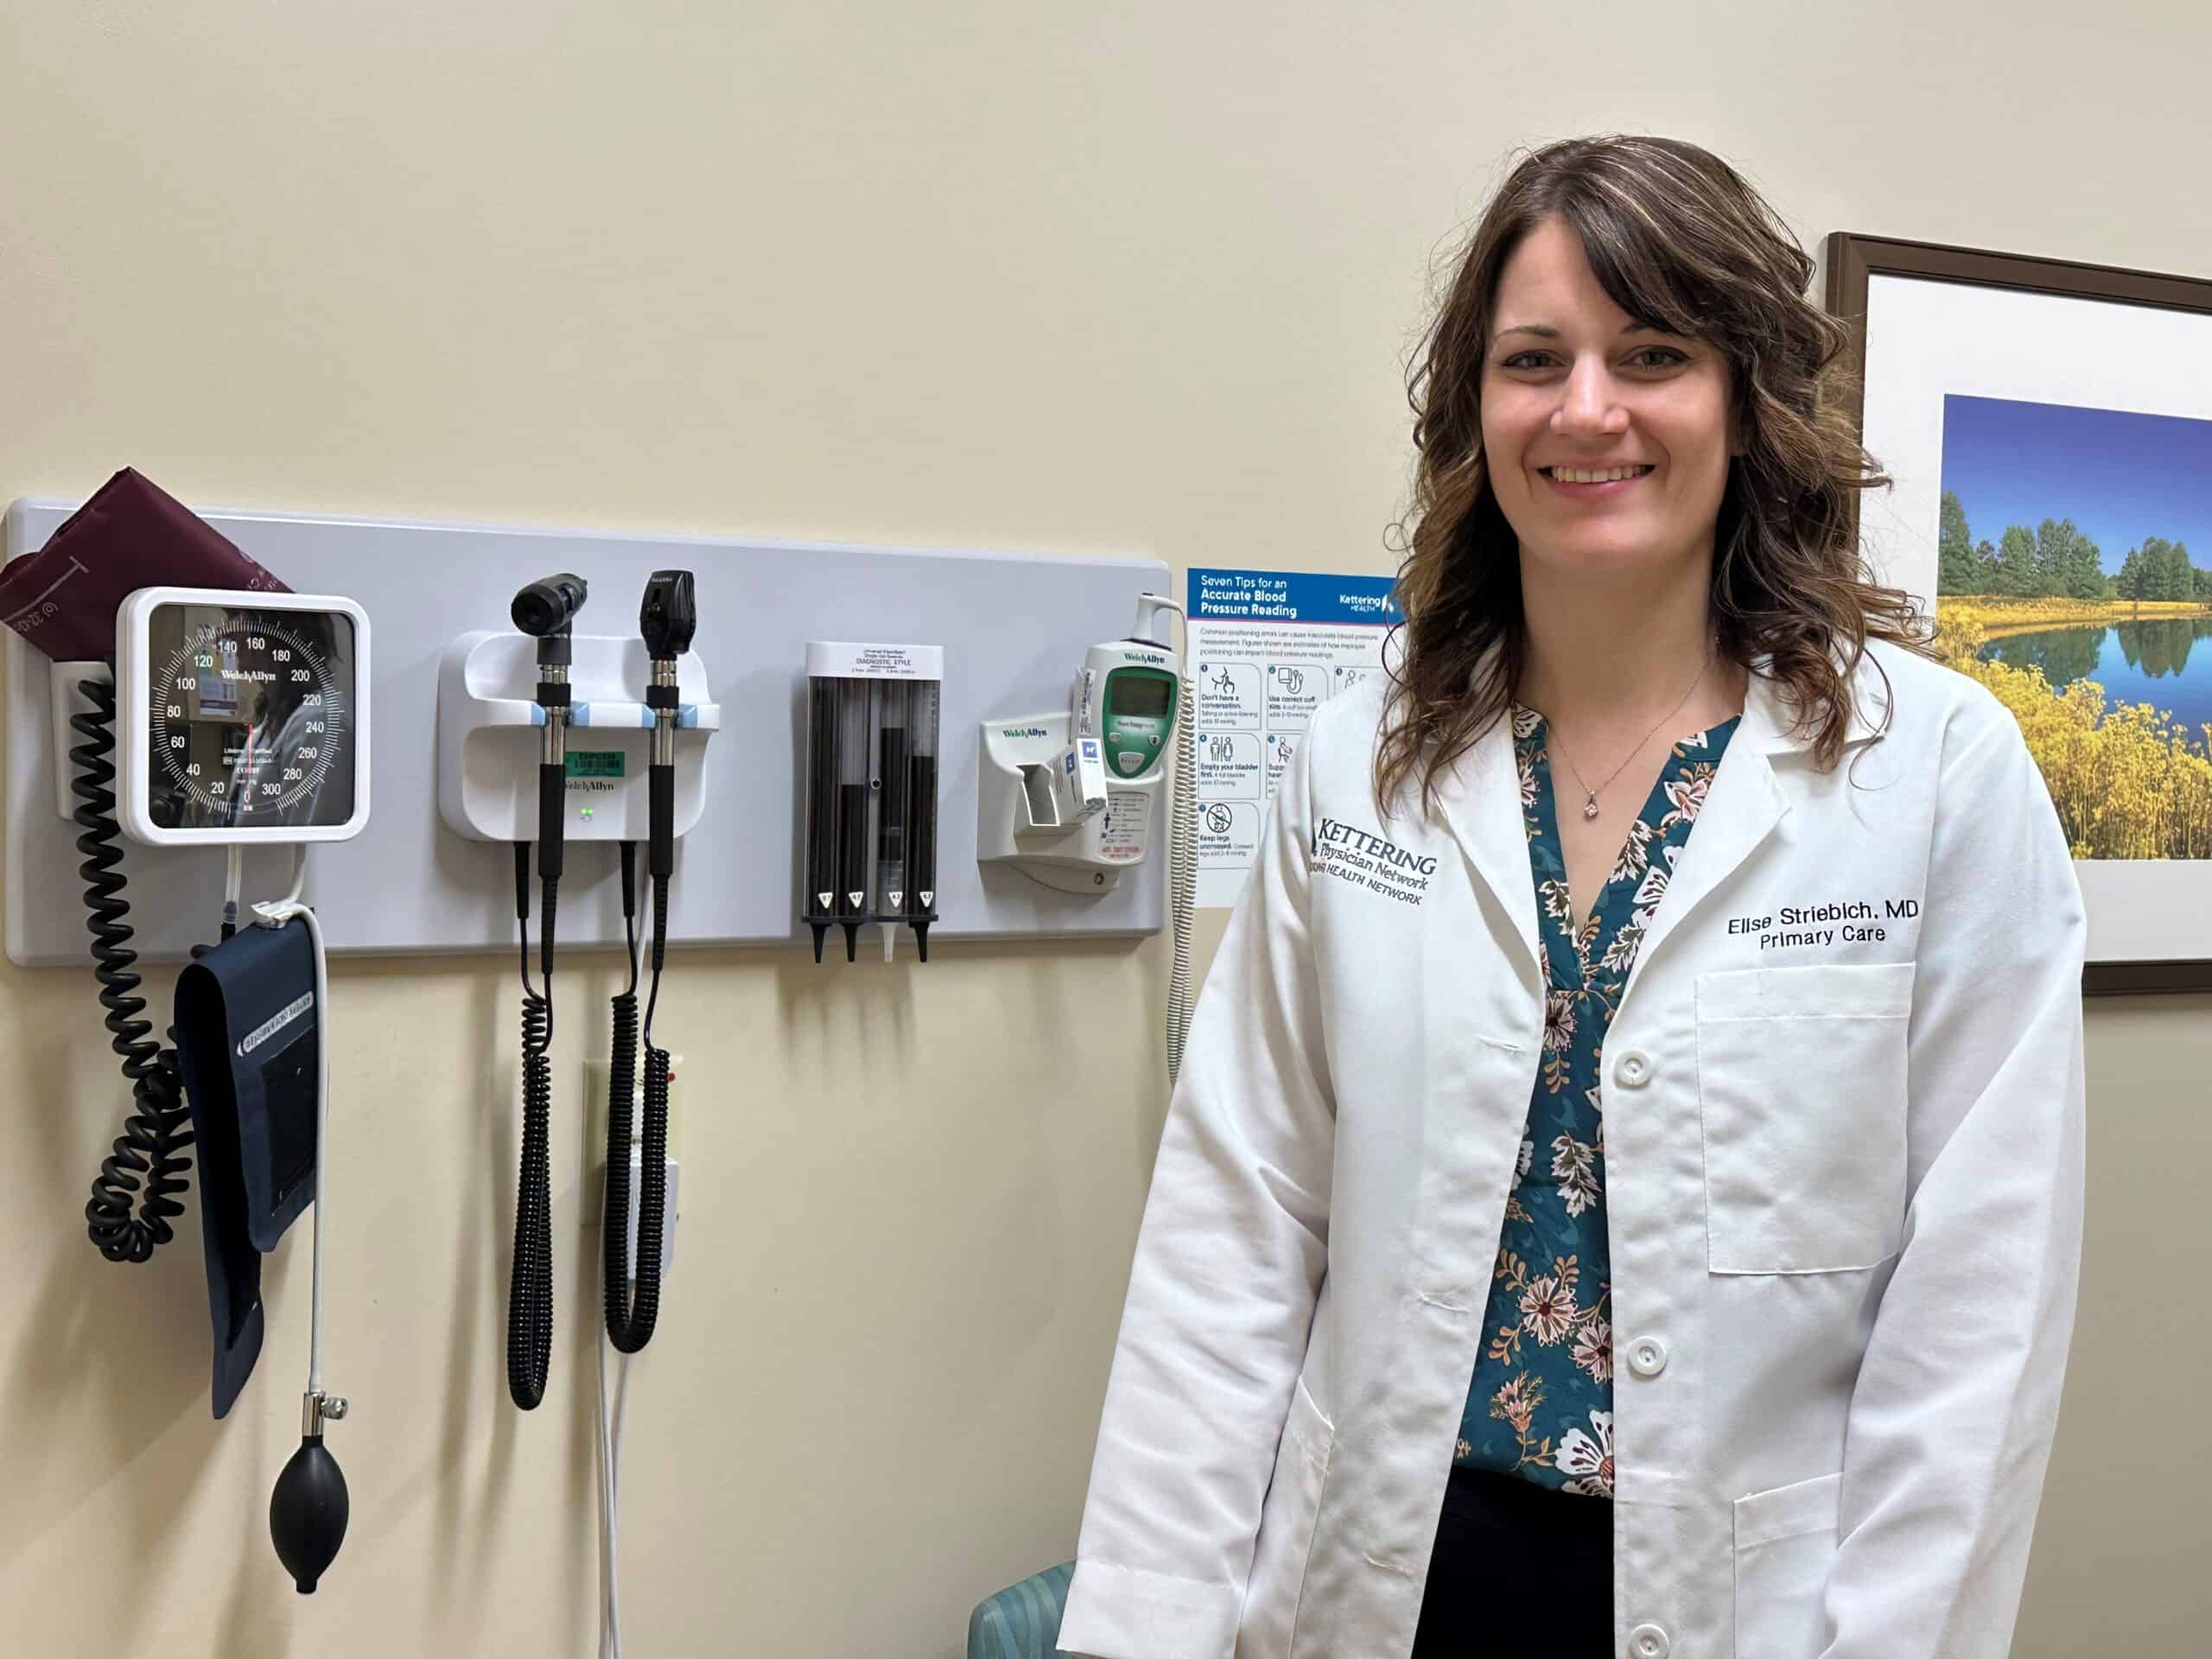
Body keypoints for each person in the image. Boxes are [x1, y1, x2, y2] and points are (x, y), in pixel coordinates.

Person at [1054, 134, 2087, 1659]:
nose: (1587, 410)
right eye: (1535, 359)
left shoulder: (1930, 774)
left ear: (1745, 398)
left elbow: (1977, 1323)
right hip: (1392, 1578)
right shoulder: (1361, 765)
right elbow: (1235, 1236)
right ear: (1476, 408)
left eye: (1652, 353)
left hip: (1762, 1605)